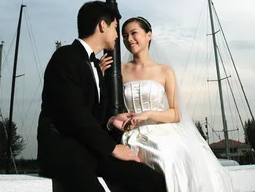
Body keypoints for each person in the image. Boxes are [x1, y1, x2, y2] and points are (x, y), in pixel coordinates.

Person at [37, 1, 167, 192]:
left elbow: (93, 113)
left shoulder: (97, 68)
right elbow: (73, 114)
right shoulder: (65, 57)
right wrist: (113, 148)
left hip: (91, 149)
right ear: (102, 25)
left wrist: (112, 120)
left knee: (152, 181)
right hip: (65, 151)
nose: (118, 36)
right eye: (116, 28)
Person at [99, 16, 236, 192]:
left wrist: (147, 114)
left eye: (134, 33)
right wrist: (100, 72)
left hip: (162, 129)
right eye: (125, 35)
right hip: (133, 133)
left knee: (172, 156)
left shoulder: (165, 71)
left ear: (149, 35)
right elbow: (103, 100)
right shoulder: (119, 69)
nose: (129, 39)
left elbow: (175, 114)